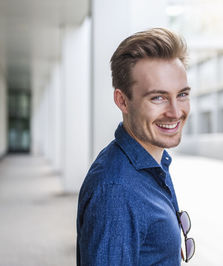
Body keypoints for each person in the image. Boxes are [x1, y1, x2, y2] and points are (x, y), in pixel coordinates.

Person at [76, 28, 194, 265]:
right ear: (122, 101)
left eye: (181, 94)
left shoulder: (153, 164)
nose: (175, 112)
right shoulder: (116, 190)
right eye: (157, 98)